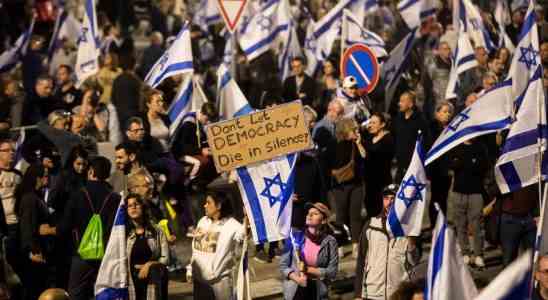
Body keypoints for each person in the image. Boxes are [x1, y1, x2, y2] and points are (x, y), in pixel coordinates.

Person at [58, 156, 121, 300]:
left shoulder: (78, 195)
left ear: (91, 171)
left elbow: (65, 226)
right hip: (107, 255)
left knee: (76, 294)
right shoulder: (115, 198)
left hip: (82, 255)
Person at [354, 184, 420, 300]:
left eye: (393, 199)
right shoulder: (371, 225)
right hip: (373, 293)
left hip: (399, 293)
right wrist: (358, 294)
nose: (389, 202)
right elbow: (361, 260)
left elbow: (414, 261)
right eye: (386, 198)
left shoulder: (410, 228)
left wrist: (411, 240)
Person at [191, 191, 247, 300]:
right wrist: (191, 269)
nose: (204, 205)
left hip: (220, 284)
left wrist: (247, 219)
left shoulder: (233, 225)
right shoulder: (202, 221)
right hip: (199, 283)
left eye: (208, 203)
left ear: (219, 205)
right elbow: (195, 250)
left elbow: (244, 235)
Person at [280, 202, 338, 300]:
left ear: (323, 220)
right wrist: (297, 279)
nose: (309, 216)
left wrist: (308, 270)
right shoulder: (295, 237)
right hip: (295, 291)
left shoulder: (330, 242)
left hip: (318, 291)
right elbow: (283, 266)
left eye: (315, 214)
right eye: (308, 213)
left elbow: (332, 272)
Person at [328, 118, 366, 258]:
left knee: (355, 216)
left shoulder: (356, 144)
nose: (356, 132)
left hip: (356, 184)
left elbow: (364, 157)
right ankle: (340, 245)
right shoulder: (333, 145)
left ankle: (356, 245)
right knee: (341, 216)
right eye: (353, 129)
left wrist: (359, 144)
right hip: (340, 186)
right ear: (345, 130)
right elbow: (329, 164)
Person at [450, 137, 489, 268]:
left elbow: (482, 167)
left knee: (477, 225)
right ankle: (465, 252)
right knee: (460, 225)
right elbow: (452, 165)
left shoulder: (480, 147)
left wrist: (465, 164)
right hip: (458, 192)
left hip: (476, 192)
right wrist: (466, 164)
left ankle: (478, 254)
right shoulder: (456, 147)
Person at [18, 163, 55, 300]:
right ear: (36, 178)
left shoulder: (36, 196)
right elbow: (27, 227)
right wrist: (32, 250)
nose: (48, 178)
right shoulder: (30, 199)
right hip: (35, 255)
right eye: (45, 176)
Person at [125, 194, 169, 300]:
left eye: (136, 204)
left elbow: (166, 259)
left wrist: (149, 265)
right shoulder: (124, 233)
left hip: (153, 282)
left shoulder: (157, 231)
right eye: (129, 206)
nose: (133, 208)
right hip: (131, 284)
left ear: (143, 207)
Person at [426, 101, 454, 226]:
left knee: (444, 198)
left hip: (447, 170)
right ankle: (434, 224)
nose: (447, 114)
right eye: (444, 112)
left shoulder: (452, 128)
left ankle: (442, 223)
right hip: (435, 170)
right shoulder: (431, 128)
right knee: (436, 198)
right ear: (437, 113)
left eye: (449, 112)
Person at [392, 91, 429, 182]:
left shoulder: (420, 120)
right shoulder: (398, 118)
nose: (399, 103)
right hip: (399, 163)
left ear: (411, 104)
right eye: (399, 101)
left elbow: (426, 141)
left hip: (413, 164)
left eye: (402, 101)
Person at [363, 112, 394, 218]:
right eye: (370, 122)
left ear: (382, 124)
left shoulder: (388, 139)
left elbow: (375, 156)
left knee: (380, 209)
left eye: (374, 123)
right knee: (370, 207)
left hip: (381, 180)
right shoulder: (369, 137)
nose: (370, 125)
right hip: (369, 180)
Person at [0, 137, 22, 278]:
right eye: (7, 150)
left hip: (16, 225)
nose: (11, 153)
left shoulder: (18, 175)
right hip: (3, 227)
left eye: (13, 150)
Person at [142, 89, 170, 154]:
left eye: (161, 101)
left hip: (168, 153)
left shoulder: (165, 117)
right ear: (148, 104)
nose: (161, 104)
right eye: (157, 101)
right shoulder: (143, 119)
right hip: (153, 156)